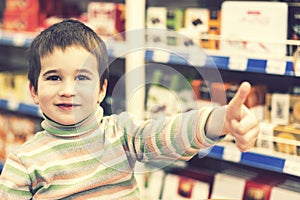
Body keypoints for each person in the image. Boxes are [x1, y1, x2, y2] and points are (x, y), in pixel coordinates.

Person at [0, 19, 259, 199]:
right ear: (33, 90)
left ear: (101, 90)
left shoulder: (121, 134)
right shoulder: (23, 162)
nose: (68, 90)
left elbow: (167, 133)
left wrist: (221, 120)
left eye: (82, 78)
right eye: (54, 77)